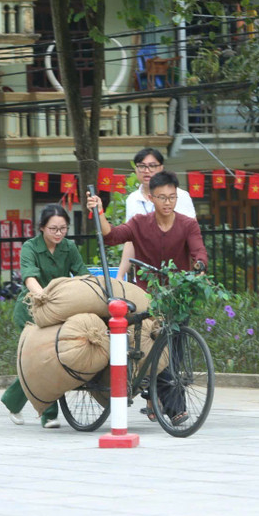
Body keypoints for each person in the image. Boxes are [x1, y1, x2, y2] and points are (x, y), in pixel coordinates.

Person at [87, 170, 208, 425]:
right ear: (151, 198)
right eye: (162, 197)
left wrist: (199, 268)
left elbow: (199, 252)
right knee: (155, 349)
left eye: (172, 197)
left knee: (175, 351)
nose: (168, 202)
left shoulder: (188, 224)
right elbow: (112, 236)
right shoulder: (139, 223)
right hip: (146, 297)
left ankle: (158, 396)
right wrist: (99, 211)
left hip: (177, 296)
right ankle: (175, 409)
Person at [0, 204, 88, 429]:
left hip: (58, 309)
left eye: (63, 228)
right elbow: (30, 277)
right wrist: (42, 296)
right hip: (32, 310)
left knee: (47, 359)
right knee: (45, 358)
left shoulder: (69, 247)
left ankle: (12, 399)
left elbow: (82, 275)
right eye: (53, 229)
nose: (58, 233)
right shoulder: (30, 247)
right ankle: (49, 414)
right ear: (41, 228)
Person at [115, 148, 196, 281]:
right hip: (145, 278)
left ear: (161, 168)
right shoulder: (132, 199)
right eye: (142, 166)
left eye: (152, 166)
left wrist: (196, 272)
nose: (147, 171)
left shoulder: (180, 196)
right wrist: (120, 275)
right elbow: (131, 242)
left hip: (176, 277)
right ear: (136, 169)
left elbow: (193, 237)